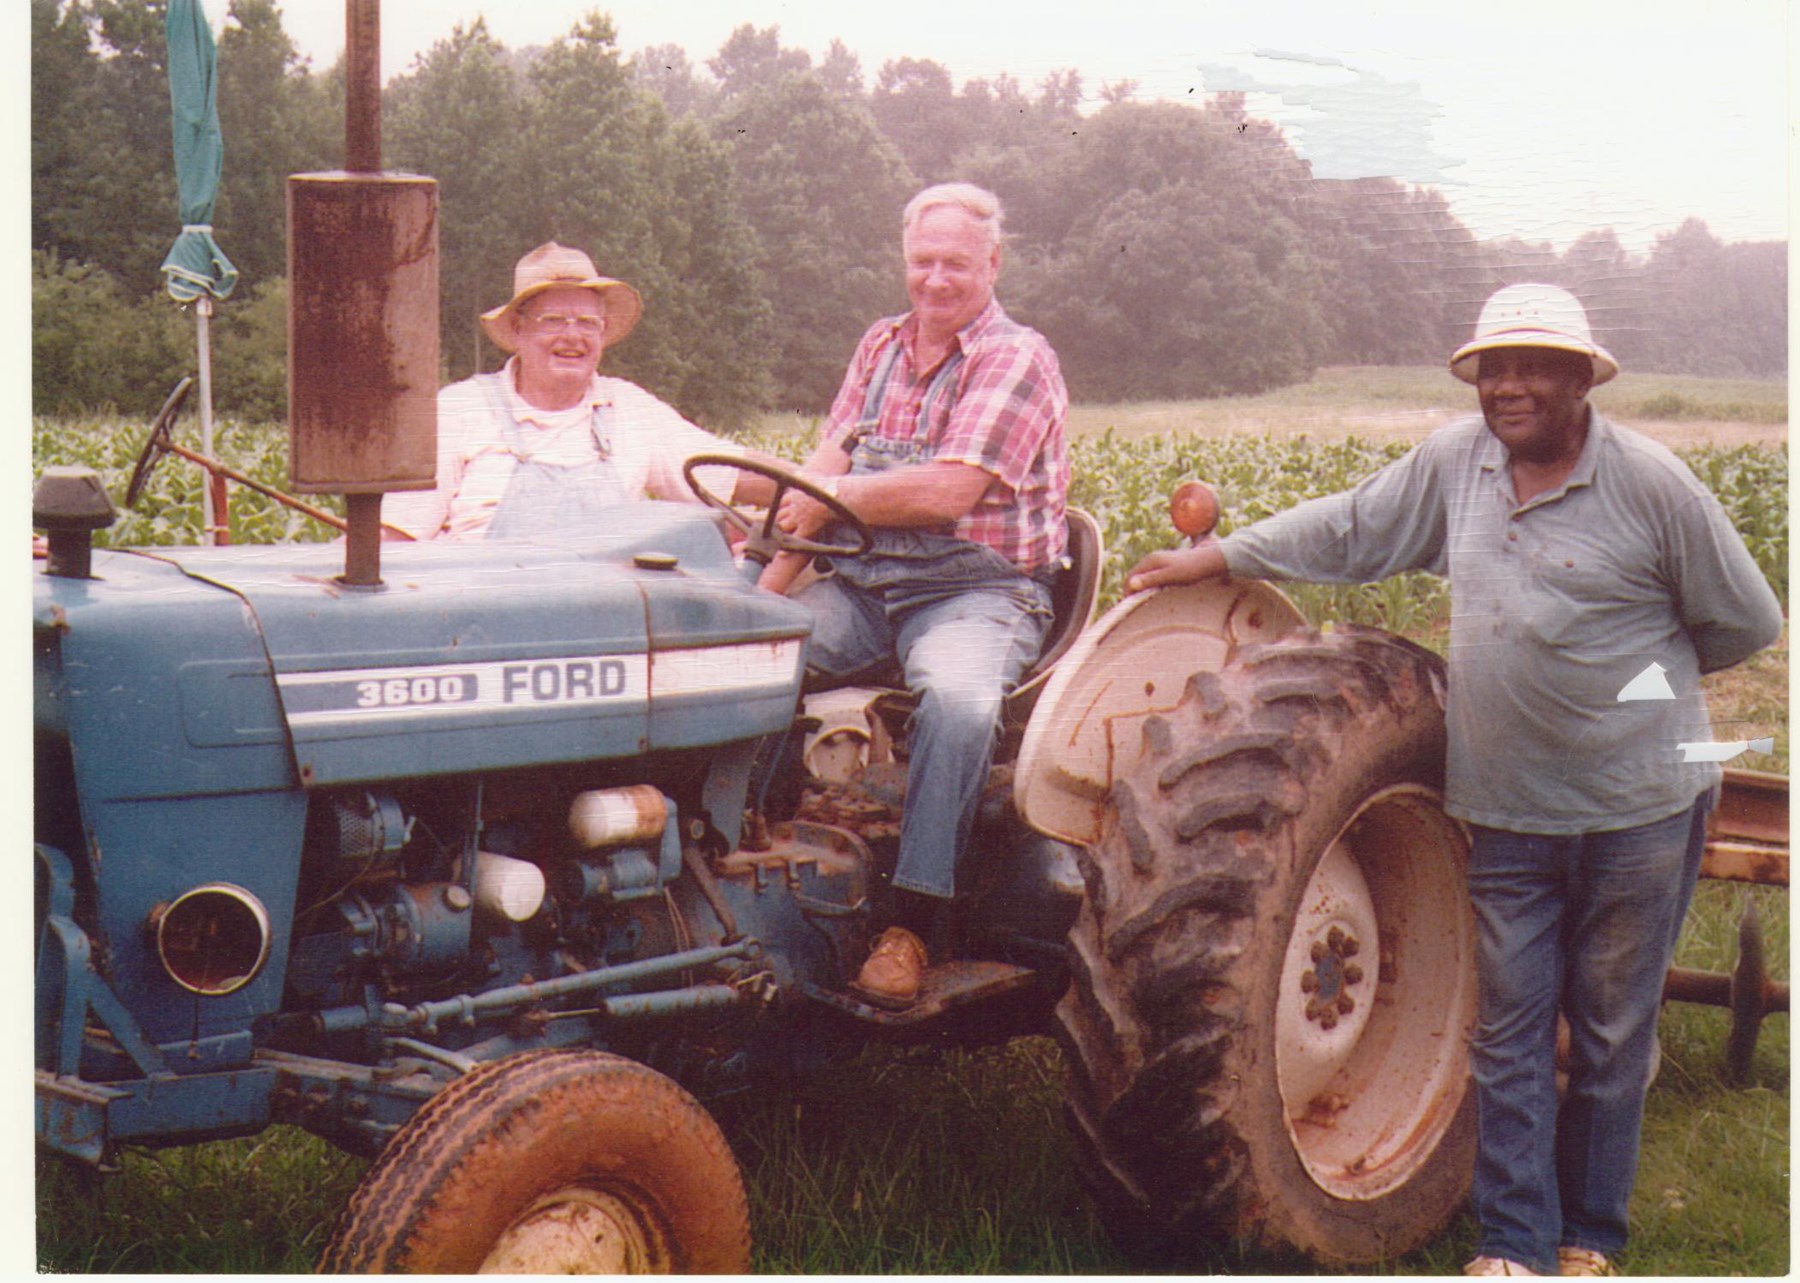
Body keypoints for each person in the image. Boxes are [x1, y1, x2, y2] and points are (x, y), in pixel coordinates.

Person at [1125, 283, 1783, 1278]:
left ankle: (1589, 1235)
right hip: (1505, 807)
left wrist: (1636, 688)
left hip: (1637, 809)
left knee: (1608, 1033)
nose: (1509, 386)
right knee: (1509, 1030)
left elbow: (1744, 624)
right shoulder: (1454, 464)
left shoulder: (1654, 487)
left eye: (1533, 367)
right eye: (1493, 368)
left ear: (1580, 379)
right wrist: (1220, 553)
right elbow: (1352, 530)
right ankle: (1513, 1243)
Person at [763, 182, 1070, 1007]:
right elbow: (828, 462)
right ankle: (750, 855)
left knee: (961, 704)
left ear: (993, 263)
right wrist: (757, 601)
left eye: (956, 264)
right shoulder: (881, 345)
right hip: (866, 585)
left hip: (977, 590)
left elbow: (945, 494)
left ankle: (917, 920)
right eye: (922, 261)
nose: (936, 280)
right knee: (747, 662)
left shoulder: (1016, 358)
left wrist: (830, 498)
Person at [383, 242, 769, 541]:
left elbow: (731, 472)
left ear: (603, 333)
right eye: (553, 321)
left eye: (587, 323)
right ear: (518, 329)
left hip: (610, 624)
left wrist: (825, 489)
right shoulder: (456, 410)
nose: (572, 337)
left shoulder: (629, 408)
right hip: (480, 627)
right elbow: (396, 540)